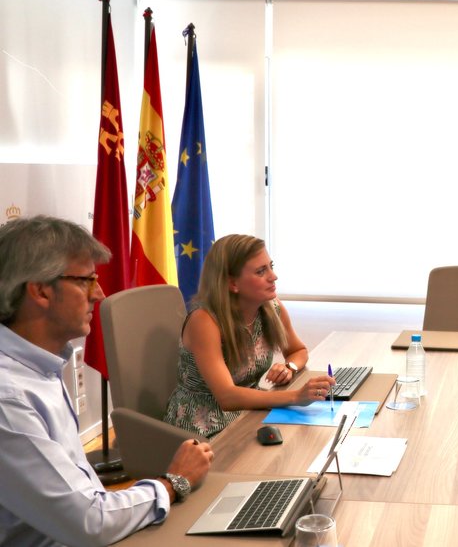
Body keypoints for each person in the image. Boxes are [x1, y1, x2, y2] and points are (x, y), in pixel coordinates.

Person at [0, 215, 214, 546]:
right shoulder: (9, 397)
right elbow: (90, 521)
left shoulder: (39, 365)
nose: (99, 293)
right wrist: (174, 482)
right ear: (41, 291)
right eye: (85, 280)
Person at [163, 234, 333, 438]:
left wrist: (290, 367)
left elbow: (298, 350)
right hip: (202, 427)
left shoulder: (271, 307)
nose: (273, 276)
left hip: (248, 412)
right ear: (232, 283)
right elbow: (227, 397)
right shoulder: (204, 321)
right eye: (261, 271)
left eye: (271, 266)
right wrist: (296, 396)